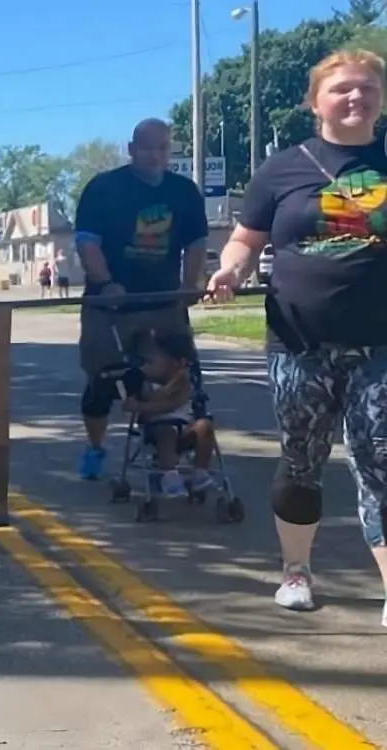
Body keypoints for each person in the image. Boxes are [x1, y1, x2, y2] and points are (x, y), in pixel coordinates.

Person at [207, 49, 387, 626]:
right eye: (341, 90)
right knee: (302, 460)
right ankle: (296, 570)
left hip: (381, 344)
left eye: (367, 88)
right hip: (299, 343)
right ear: (315, 103)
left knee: (380, 459)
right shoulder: (282, 169)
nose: (355, 98)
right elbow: (245, 239)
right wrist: (230, 270)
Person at [74, 118, 209, 482]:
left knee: (175, 376)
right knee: (102, 381)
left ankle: (170, 449)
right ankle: (96, 446)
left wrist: (188, 285)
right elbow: (87, 241)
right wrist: (105, 283)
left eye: (163, 148)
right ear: (131, 149)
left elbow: (196, 243)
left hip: (164, 302)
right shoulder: (104, 188)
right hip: (110, 304)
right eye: (147, 147)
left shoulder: (184, 192)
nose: (155, 155)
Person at [121, 329, 216, 498]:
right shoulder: (144, 383)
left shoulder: (183, 382)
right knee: (167, 431)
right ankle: (169, 475)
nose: (145, 366)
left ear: (175, 364)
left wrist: (140, 405)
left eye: (150, 362)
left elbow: (172, 403)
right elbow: (141, 406)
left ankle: (200, 472)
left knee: (205, 426)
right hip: (157, 429)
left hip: (185, 428)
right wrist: (132, 402)